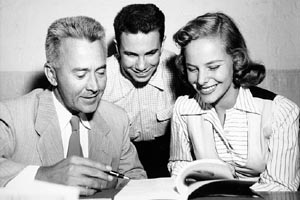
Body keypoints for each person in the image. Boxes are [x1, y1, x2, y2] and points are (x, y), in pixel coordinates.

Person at [0, 16, 146, 196]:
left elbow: (136, 178)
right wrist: (43, 176)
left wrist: (116, 185)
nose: (95, 86)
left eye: (101, 72)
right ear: (52, 75)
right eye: (80, 74)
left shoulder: (117, 119)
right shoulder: (11, 117)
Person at [168, 12, 300, 191]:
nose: (201, 80)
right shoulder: (183, 108)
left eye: (213, 67)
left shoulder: (281, 111)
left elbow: (281, 187)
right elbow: (180, 168)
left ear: (237, 60)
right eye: (192, 68)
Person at [102, 3, 185, 178]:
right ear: (117, 47)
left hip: (172, 159)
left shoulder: (181, 71)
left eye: (150, 53)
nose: (141, 66)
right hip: (119, 162)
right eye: (131, 54)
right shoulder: (100, 77)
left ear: (162, 43)